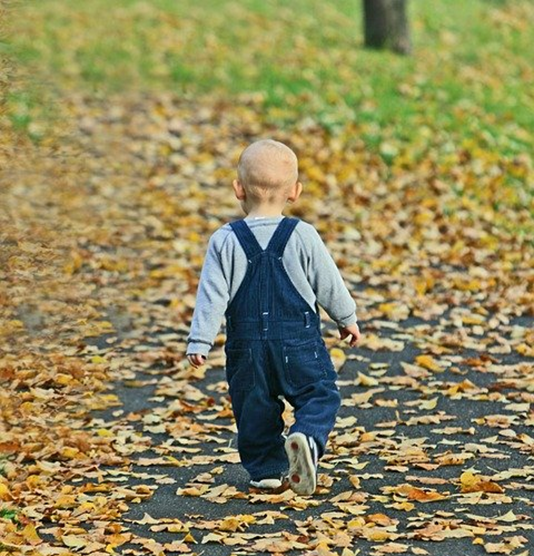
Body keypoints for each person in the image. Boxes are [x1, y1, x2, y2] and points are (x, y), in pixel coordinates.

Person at [186, 139, 360, 495]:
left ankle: (266, 469)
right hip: (298, 343)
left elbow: (211, 295)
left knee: (254, 408)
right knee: (320, 394)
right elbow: (328, 282)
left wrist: (200, 339)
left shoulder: (224, 240)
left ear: (238, 189)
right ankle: (307, 438)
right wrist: (346, 317)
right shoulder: (303, 235)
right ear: (294, 192)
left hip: (247, 349)